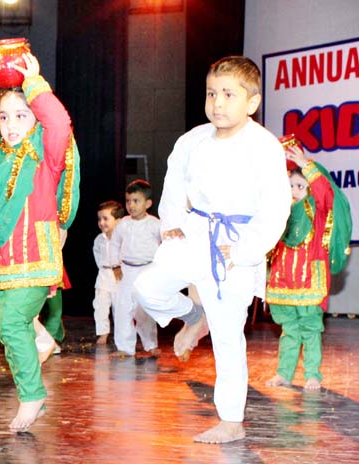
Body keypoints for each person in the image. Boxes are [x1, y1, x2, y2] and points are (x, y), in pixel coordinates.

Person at [132, 56, 290, 443]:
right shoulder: (192, 140)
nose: (217, 103)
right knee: (147, 288)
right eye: (211, 93)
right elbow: (173, 186)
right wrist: (169, 223)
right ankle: (191, 316)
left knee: (227, 334)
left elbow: (275, 207)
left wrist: (245, 250)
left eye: (228, 95)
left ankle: (231, 420)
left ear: (251, 102)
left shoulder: (264, 146)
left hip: (235, 241)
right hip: (194, 231)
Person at [0, 52, 79, 432]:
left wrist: (35, 82)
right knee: (12, 328)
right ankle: (40, 349)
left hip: (37, 256)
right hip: (0, 260)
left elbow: (59, 121)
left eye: (22, 116)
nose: (10, 125)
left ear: (35, 119)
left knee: (11, 326)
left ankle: (31, 395)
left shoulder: (47, 151)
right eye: (4, 117)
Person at [265, 142, 352, 391]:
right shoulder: (280, 212)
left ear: (310, 189)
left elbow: (326, 192)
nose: (294, 191)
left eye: (301, 186)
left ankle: (312, 375)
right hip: (283, 281)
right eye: (291, 186)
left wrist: (304, 163)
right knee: (289, 330)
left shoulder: (318, 209)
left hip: (309, 280)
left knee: (310, 331)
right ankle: (284, 373)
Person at [109, 179, 161, 357]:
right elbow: (114, 244)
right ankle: (124, 347)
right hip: (127, 271)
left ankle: (150, 344)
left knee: (144, 310)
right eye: (128, 201)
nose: (131, 205)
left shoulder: (155, 224)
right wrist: (115, 265)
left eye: (136, 201)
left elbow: (164, 246)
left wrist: (160, 269)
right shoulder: (123, 223)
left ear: (148, 203)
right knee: (123, 309)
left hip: (148, 271)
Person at [92, 200, 126, 345]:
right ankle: (103, 333)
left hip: (120, 277)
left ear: (117, 220)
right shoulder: (99, 239)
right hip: (104, 275)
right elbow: (98, 256)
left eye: (106, 218)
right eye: (100, 219)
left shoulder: (124, 238)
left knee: (120, 308)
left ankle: (122, 335)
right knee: (100, 306)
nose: (102, 222)